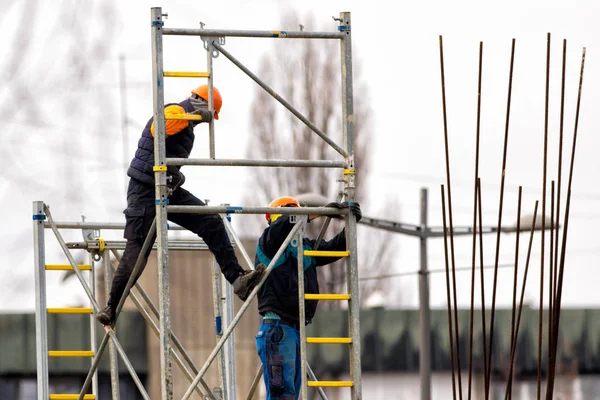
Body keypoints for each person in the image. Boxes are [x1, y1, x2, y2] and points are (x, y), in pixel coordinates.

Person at [96, 85, 266, 327]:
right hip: (144, 191)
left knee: (211, 222)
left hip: (167, 188)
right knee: (138, 252)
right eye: (209, 116)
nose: (206, 122)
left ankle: (238, 279)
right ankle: (111, 307)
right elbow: (159, 128)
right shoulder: (176, 111)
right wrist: (190, 116)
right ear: (202, 105)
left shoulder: (185, 122)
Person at [254, 196, 362, 399]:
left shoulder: (304, 248)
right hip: (277, 332)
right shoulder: (270, 241)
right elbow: (286, 224)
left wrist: (351, 224)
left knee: (290, 395)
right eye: (296, 211)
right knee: (282, 395)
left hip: (291, 332)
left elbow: (333, 249)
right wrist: (320, 210)